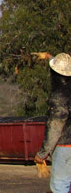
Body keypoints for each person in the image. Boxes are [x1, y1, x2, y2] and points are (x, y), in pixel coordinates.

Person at [33, 52, 71, 193]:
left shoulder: (59, 98)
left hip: (66, 146)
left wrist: (42, 153)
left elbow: (54, 128)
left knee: (60, 185)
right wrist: (49, 56)